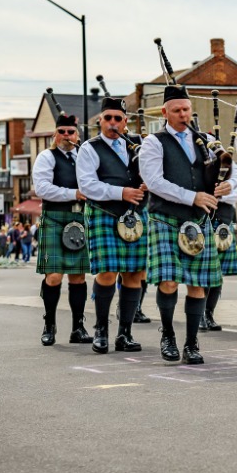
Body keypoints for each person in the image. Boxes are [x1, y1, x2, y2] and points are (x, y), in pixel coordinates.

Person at [141, 85, 237, 364]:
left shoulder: (206, 140)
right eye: (177, 110)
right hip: (165, 219)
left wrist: (227, 186)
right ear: (165, 112)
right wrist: (193, 197)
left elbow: (233, 172)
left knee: (198, 285)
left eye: (186, 109)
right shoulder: (154, 142)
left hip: (198, 222)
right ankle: (168, 334)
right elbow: (154, 182)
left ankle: (192, 342)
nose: (183, 114)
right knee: (169, 281)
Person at [77, 96, 150, 354]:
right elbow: (87, 185)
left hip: (135, 215)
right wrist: (123, 193)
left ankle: (125, 334)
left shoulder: (136, 145)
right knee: (107, 272)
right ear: (100, 120)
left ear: (125, 121)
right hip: (104, 213)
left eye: (117, 118)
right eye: (107, 118)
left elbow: (152, 174)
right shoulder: (90, 148)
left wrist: (145, 185)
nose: (112, 123)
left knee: (134, 274)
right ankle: (101, 331)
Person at [33, 109, 93, 346]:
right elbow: (42, 189)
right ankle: (49, 325)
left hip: (79, 219)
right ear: (55, 134)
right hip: (55, 218)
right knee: (54, 277)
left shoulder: (84, 156)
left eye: (70, 132)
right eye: (61, 132)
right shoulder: (46, 157)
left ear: (77, 134)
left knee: (78, 277)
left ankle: (78, 327)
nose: (66, 135)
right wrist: (74, 193)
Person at [199, 148, 237, 332]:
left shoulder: (228, 163)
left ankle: (209, 313)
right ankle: (200, 313)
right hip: (204, 216)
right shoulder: (200, 161)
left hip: (224, 219)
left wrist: (222, 193)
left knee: (217, 273)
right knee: (203, 270)